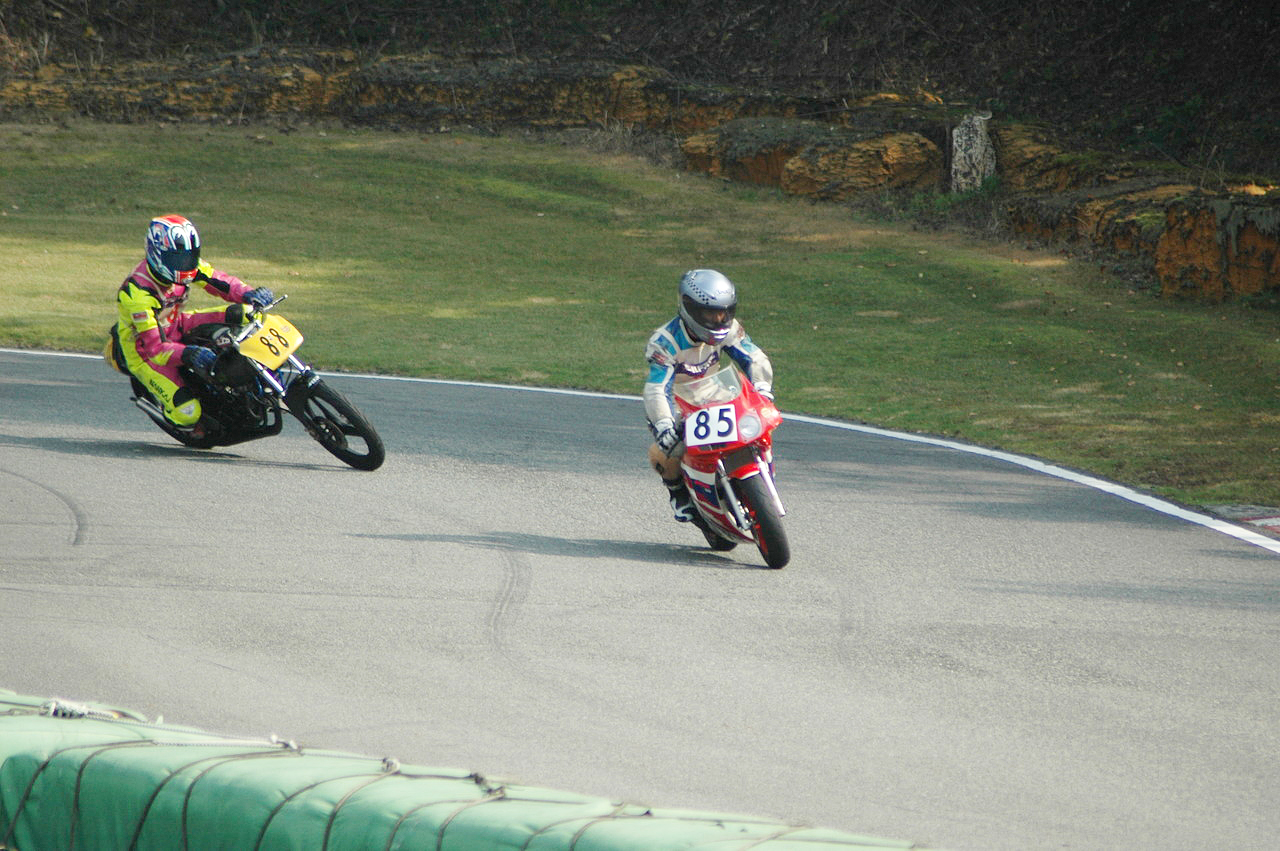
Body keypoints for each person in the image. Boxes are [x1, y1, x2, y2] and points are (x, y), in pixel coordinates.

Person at [111, 214, 274, 438]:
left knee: (247, 313)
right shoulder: (138, 294)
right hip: (145, 353)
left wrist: (249, 293)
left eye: (189, 257)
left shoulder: (189, 267)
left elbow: (220, 281)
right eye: (177, 259)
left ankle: (255, 374)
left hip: (177, 324)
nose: (185, 265)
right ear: (156, 253)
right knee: (188, 413)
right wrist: (190, 353)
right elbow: (155, 348)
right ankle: (181, 421)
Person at [643, 268, 774, 522]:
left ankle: (762, 468)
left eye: (724, 312)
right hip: (678, 405)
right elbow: (657, 387)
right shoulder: (664, 342)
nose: (718, 319)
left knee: (758, 424)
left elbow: (752, 356)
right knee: (665, 451)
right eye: (709, 313)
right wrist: (664, 424)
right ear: (689, 308)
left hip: (716, 393)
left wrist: (762, 388)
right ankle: (678, 492)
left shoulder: (730, 328)